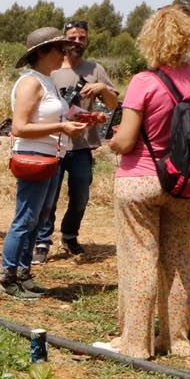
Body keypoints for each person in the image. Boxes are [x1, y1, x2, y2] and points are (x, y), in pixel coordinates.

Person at [97, 5, 190, 357]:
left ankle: (135, 343)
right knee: (179, 259)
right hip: (186, 182)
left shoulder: (144, 82)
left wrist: (111, 138)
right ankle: (178, 340)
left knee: (140, 260)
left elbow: (127, 140)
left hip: (141, 180)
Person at [0, 29, 89, 298]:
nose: (64, 53)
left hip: (50, 157)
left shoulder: (46, 81)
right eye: (57, 49)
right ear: (40, 53)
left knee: (36, 220)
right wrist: (62, 125)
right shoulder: (31, 83)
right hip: (35, 157)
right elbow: (20, 126)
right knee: (25, 219)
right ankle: (8, 278)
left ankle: (23, 275)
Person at [31, 18, 121, 263]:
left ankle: (70, 236)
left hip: (82, 146)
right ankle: (42, 241)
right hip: (54, 143)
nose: (77, 42)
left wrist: (102, 87)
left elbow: (113, 105)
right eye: (72, 38)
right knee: (48, 197)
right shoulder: (52, 67)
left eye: (82, 38)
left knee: (80, 196)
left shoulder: (96, 69)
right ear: (63, 39)